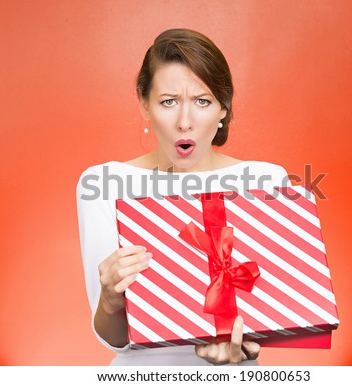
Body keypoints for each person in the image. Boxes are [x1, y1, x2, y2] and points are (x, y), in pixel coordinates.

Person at [76, 28, 290, 366]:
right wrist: (110, 301)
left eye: (202, 101)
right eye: (168, 102)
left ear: (223, 109)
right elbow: (114, 340)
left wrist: (244, 343)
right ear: (144, 106)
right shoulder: (103, 183)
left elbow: (281, 311)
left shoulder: (267, 180)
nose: (185, 122)